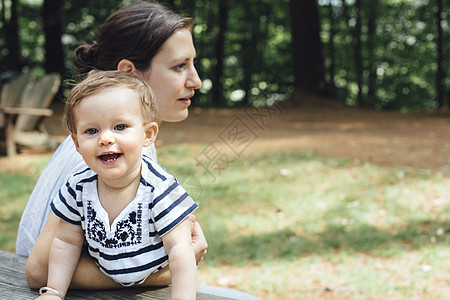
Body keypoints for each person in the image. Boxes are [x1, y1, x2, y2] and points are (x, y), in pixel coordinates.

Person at [19, 2, 258, 299]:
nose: (195, 80)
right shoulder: (92, 159)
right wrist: (166, 272)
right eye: (179, 66)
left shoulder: (117, 148)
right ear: (130, 73)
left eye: (193, 64)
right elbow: (38, 270)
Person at [36, 70, 198, 300]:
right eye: (91, 131)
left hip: (162, 287)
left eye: (120, 126)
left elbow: (180, 251)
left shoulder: (158, 189)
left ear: (148, 134)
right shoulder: (78, 186)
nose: (105, 138)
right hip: (105, 287)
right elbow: (66, 241)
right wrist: (54, 292)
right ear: (77, 143)